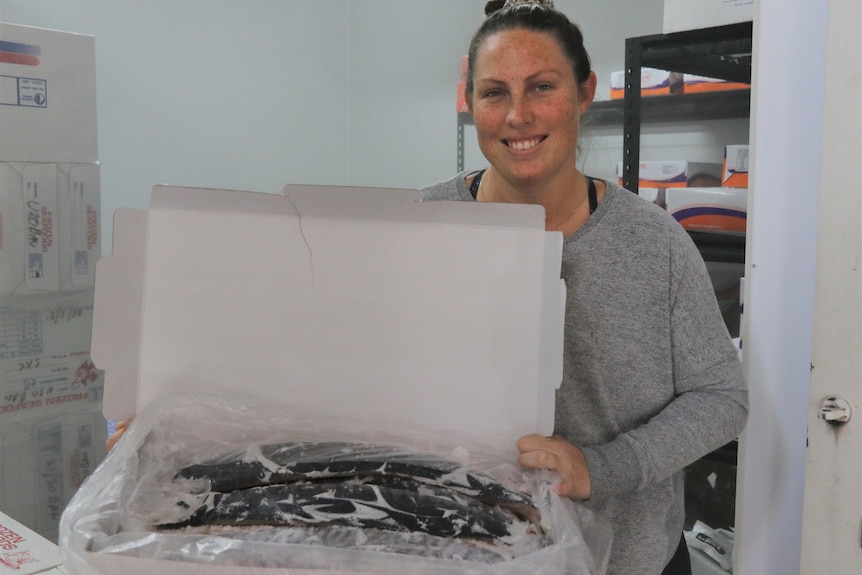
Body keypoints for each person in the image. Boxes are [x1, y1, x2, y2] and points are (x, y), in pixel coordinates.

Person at [419, 1, 748, 574]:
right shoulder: (422, 226)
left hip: (628, 560)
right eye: (494, 92)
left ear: (585, 90)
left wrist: (603, 468)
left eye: (542, 86)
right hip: (466, 554)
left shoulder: (653, 242)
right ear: (470, 101)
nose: (518, 115)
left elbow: (721, 398)